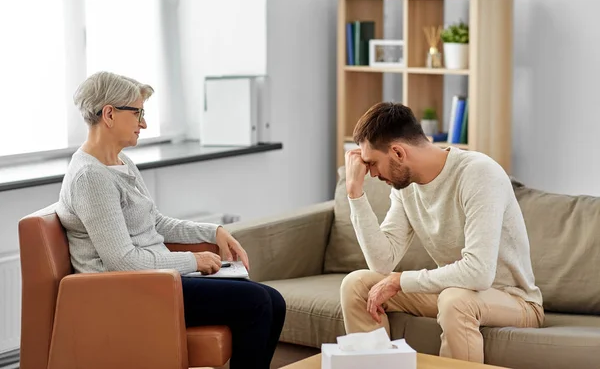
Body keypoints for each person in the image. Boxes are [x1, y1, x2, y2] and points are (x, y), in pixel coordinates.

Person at [55, 71, 285, 369]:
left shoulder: (120, 162)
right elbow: (122, 262)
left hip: (157, 281)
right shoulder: (91, 177)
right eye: (137, 112)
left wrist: (213, 231)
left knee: (274, 301)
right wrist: (193, 260)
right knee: (256, 302)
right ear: (109, 114)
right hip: (128, 293)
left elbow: (155, 223)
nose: (144, 123)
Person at [340, 102, 544, 364]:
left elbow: (479, 273)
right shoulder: (406, 188)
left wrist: (400, 281)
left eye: (372, 163)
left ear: (398, 153)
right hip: (455, 290)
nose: (372, 173)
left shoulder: (478, 173)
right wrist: (354, 193)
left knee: (454, 300)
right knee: (357, 285)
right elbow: (382, 263)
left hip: (515, 301)